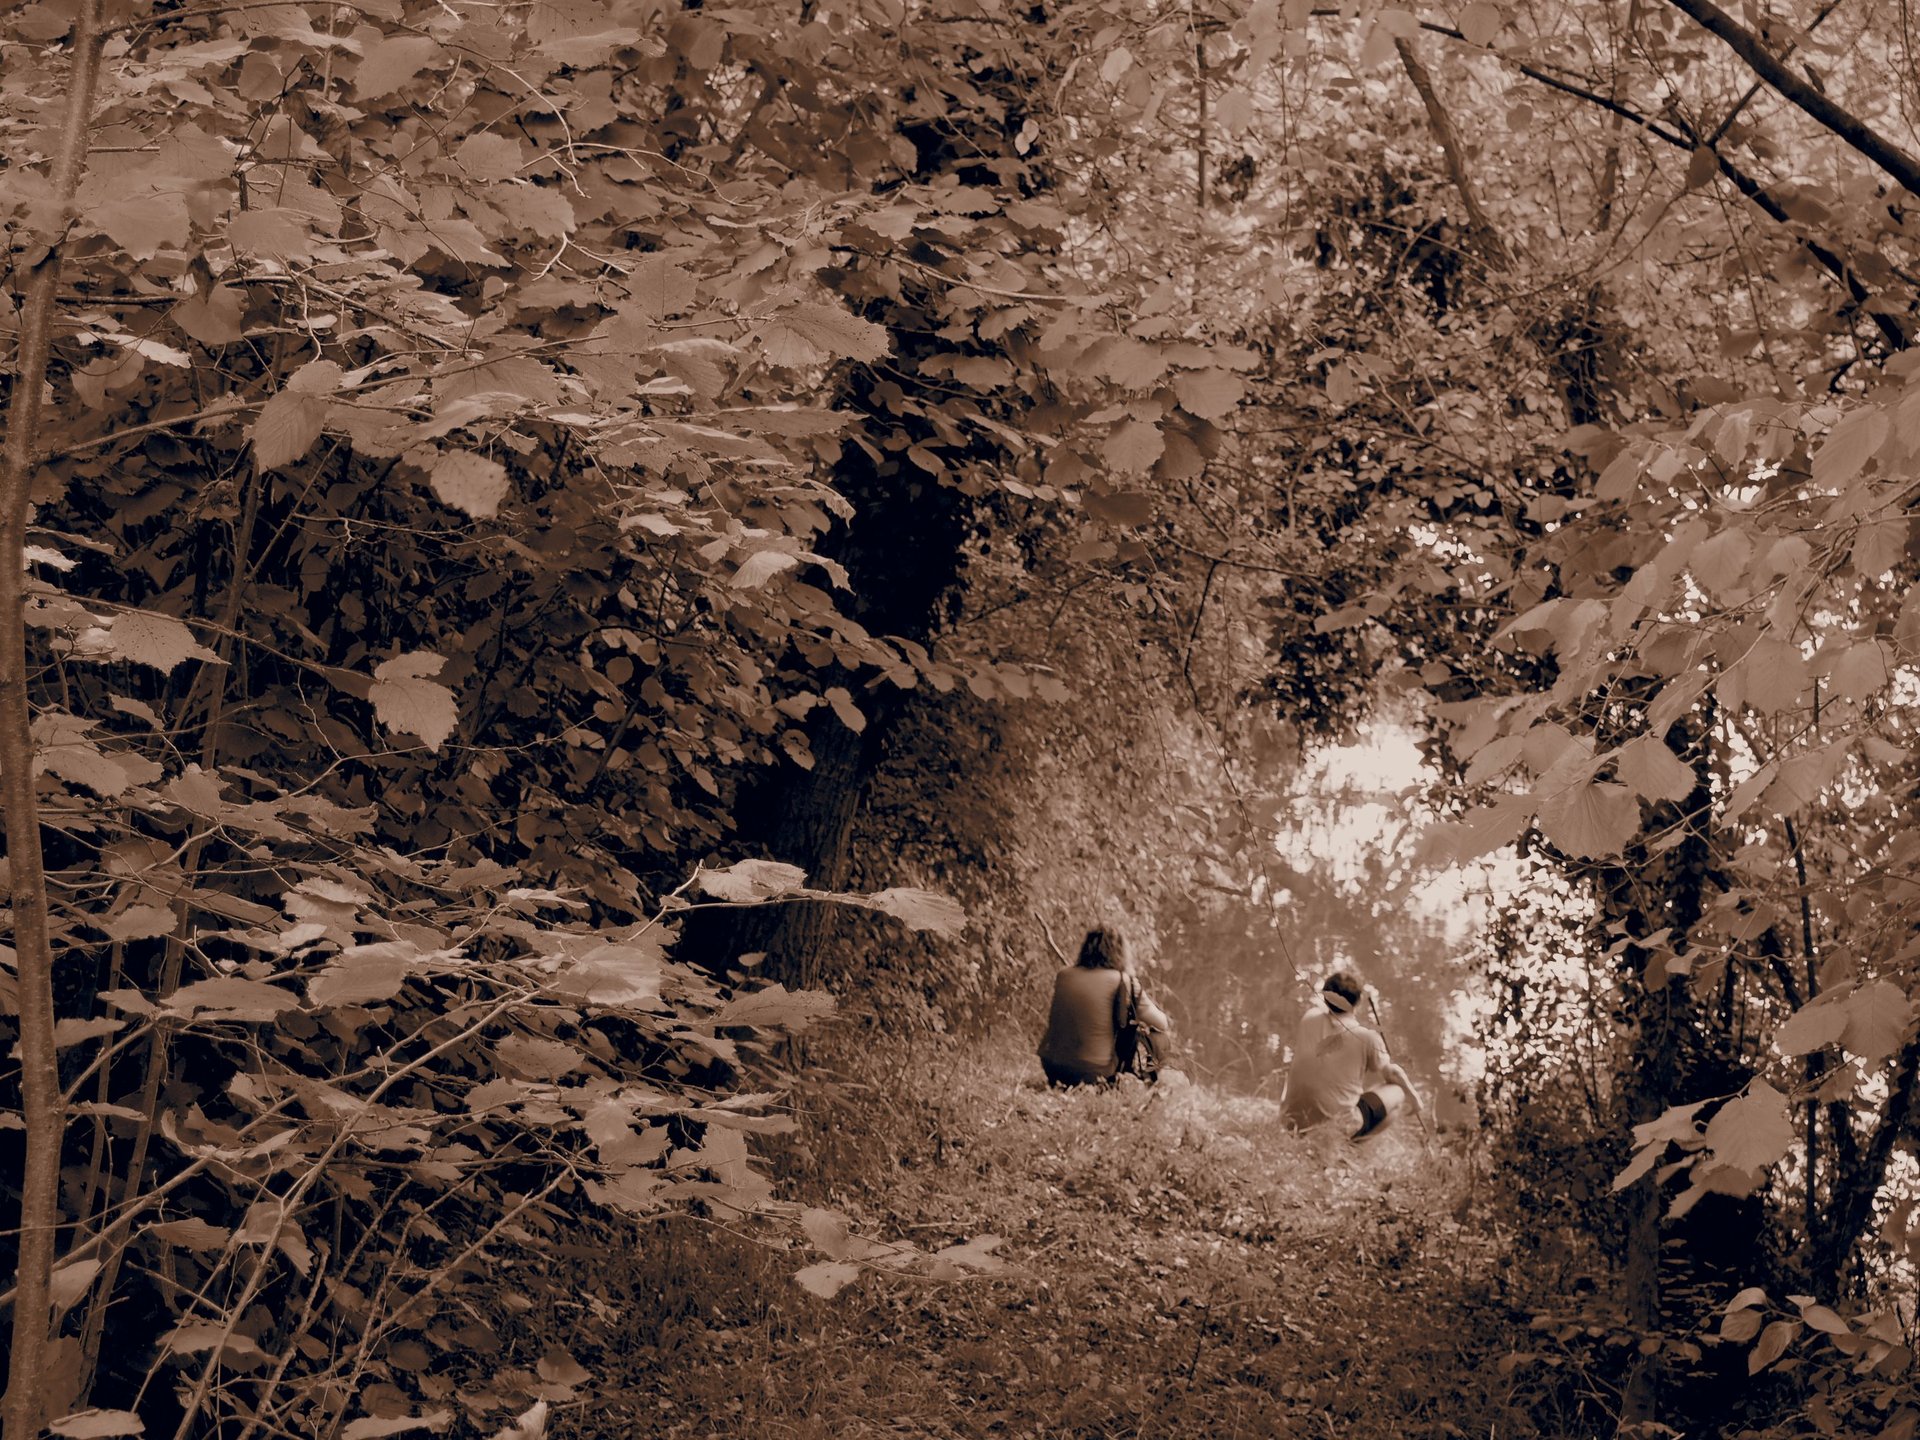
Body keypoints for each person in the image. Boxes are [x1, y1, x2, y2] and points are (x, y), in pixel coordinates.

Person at [1280, 967, 1423, 1135]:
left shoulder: (1309, 1017)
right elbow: (1392, 1074)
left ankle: (1312, 1132)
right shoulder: (1367, 1037)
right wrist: (1415, 1098)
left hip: (1290, 1121)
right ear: (1357, 1001)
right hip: (1334, 1127)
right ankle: (1350, 1143)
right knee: (1397, 1092)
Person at [1036, 926, 1171, 1087]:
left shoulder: (1064, 975)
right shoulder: (1123, 981)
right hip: (1092, 1073)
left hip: (1052, 1068)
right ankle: (1146, 1082)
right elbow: (1162, 1023)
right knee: (1159, 1037)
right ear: (1120, 952)